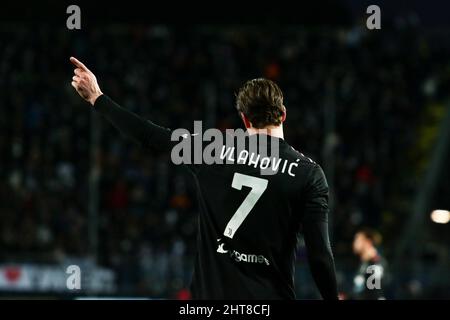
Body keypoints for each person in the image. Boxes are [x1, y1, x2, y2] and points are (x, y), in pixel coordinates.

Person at [69, 56, 338, 299]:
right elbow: (320, 257)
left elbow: (149, 136)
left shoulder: (211, 150)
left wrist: (98, 98)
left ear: (244, 120)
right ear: (283, 115)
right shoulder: (308, 173)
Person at [352, 228, 386, 300]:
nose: (354, 243)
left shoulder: (375, 263)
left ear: (368, 242)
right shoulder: (364, 262)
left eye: (358, 240)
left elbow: (375, 292)